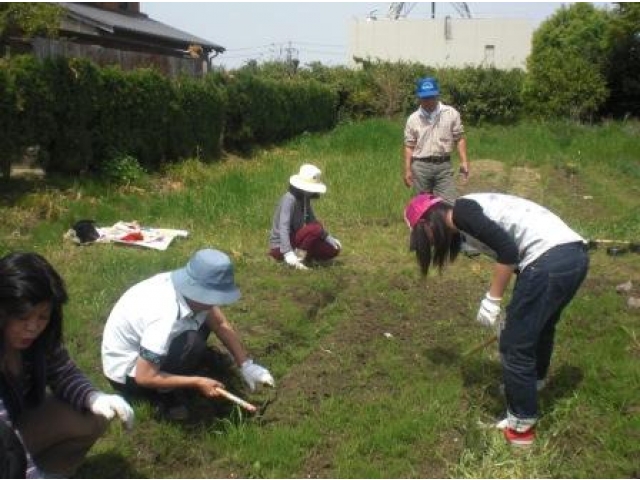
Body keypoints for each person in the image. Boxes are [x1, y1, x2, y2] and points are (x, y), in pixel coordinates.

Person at [404, 192, 589, 446]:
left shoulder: (460, 214)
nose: (430, 246)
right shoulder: (466, 216)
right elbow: (515, 257)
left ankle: (520, 428)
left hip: (550, 259)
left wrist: (493, 299)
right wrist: (516, 312)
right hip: (573, 256)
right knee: (540, 328)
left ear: (427, 223)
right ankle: (532, 385)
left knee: (515, 346)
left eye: (425, 239)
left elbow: (508, 251)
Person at [0, 252, 134, 478]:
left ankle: (52, 471)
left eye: (43, 316)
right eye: (23, 317)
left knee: (93, 417)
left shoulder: (40, 339)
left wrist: (93, 398)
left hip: (16, 426)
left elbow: (63, 373)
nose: (33, 327)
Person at [101, 248, 274, 421]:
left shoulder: (188, 292)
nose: (216, 302)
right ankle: (163, 395)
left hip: (148, 350)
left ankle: (178, 369)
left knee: (199, 332)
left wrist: (246, 365)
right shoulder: (164, 317)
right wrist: (197, 382)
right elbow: (144, 376)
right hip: (128, 374)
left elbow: (220, 323)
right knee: (192, 344)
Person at [403, 77, 470, 205]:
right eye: (425, 98)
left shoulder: (451, 114)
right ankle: (424, 226)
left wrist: (464, 161)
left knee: (449, 204)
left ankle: (444, 225)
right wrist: (407, 170)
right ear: (419, 97)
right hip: (421, 167)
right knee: (423, 206)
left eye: (431, 97)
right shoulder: (413, 119)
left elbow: (459, 138)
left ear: (437, 95)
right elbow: (409, 146)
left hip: (443, 166)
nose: (428, 101)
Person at [269, 164, 342, 270]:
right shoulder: (289, 199)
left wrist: (327, 237)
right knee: (315, 228)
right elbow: (283, 228)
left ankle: (301, 255)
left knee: (332, 249)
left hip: (296, 240)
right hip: (280, 247)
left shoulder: (304, 198)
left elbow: (312, 220)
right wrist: (287, 253)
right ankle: (297, 259)